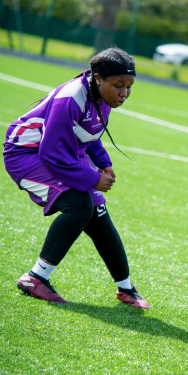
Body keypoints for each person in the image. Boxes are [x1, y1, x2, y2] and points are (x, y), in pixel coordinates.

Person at [3, 47, 149, 309]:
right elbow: (52, 152)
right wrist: (92, 178)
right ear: (97, 78)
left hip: (56, 154)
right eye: (118, 85)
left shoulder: (102, 97)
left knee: (98, 211)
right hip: (26, 154)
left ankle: (125, 287)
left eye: (129, 86)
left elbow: (87, 135)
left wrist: (103, 164)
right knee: (79, 206)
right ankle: (36, 278)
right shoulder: (71, 98)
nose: (124, 93)